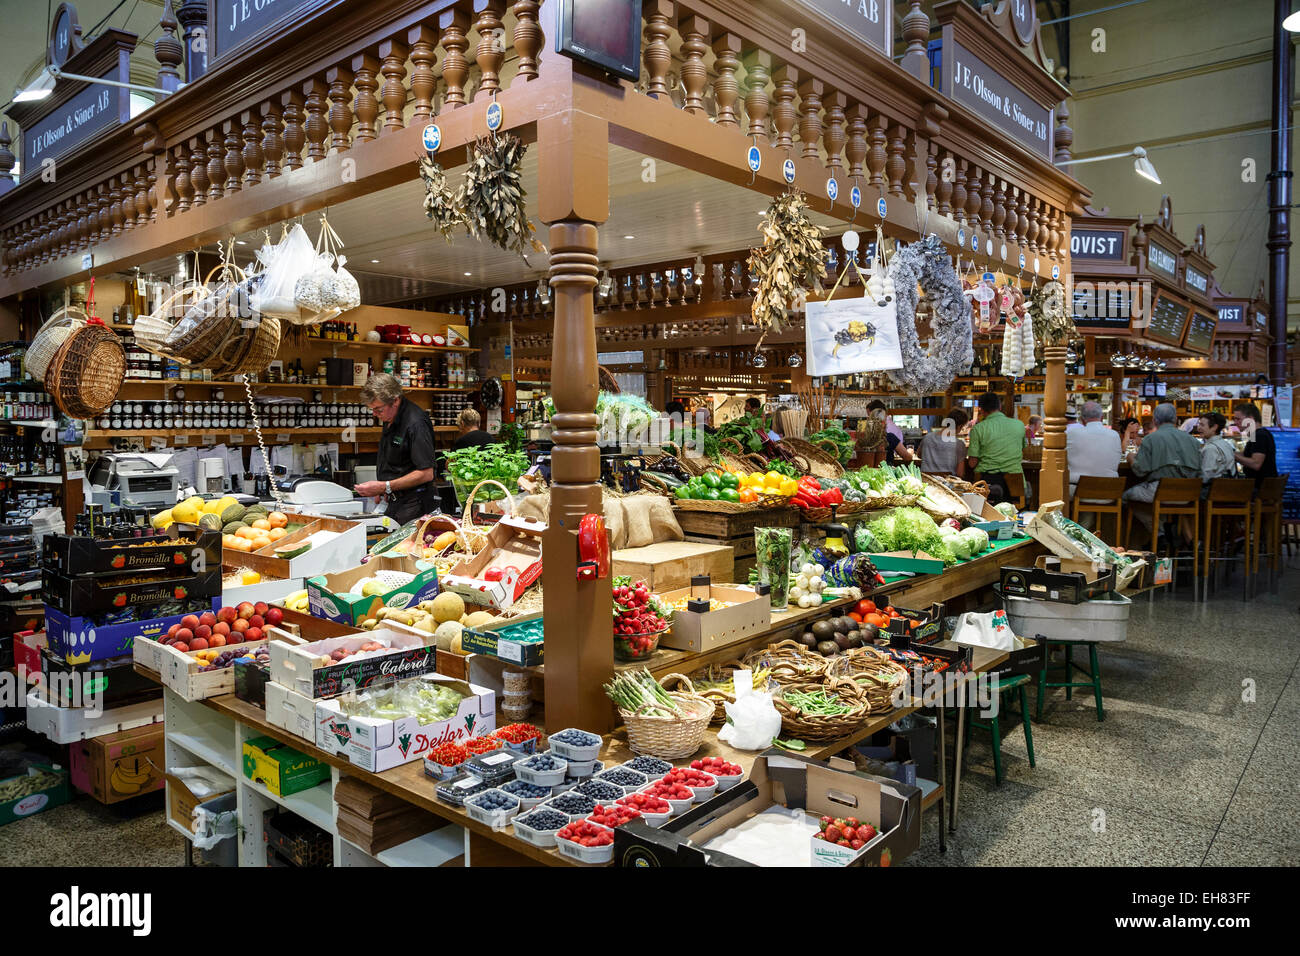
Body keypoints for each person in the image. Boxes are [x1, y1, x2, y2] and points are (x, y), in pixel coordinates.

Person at [354, 372, 437, 524]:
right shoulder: (389, 417)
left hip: (415, 505)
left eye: (378, 409)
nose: (375, 414)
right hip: (395, 502)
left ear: (396, 400)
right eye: (372, 410)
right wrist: (385, 489)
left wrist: (384, 486)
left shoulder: (416, 423)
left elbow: (426, 473)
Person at [1121, 403, 1201, 531]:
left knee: (1124, 497)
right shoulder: (1193, 441)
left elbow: (1140, 471)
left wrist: (1130, 458)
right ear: (1175, 419)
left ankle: (1159, 531)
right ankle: (1168, 531)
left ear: (1154, 421)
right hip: (1189, 493)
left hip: (1159, 491)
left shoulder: (1150, 439)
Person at [966, 392, 1026, 504]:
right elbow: (1022, 450)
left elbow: (972, 463)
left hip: (987, 482)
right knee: (1015, 512)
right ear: (1000, 406)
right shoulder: (1019, 425)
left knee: (986, 512)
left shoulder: (978, 429)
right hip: (1015, 480)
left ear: (981, 410)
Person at [1066, 400, 1121, 495]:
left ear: (1082, 420)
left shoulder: (1071, 434)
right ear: (1102, 418)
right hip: (1109, 491)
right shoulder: (1114, 435)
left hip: (1078, 490)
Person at [1232, 402, 1277, 485]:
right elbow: (1247, 454)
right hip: (1260, 486)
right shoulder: (1258, 434)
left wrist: (1232, 455)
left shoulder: (1260, 436)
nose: (1235, 422)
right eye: (1234, 419)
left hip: (1260, 488)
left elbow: (1256, 464)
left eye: (1238, 419)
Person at [918, 408, 967, 477]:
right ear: (960, 426)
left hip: (926, 482)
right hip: (947, 484)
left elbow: (919, 455)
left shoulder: (927, 437)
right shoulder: (959, 444)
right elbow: (960, 473)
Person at [1198, 412, 1237, 484]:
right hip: (1228, 488)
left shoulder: (1211, 448)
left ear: (1214, 427)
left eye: (1202, 425)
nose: (1198, 428)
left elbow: (1206, 477)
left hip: (1214, 492)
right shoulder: (1225, 444)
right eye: (1199, 424)